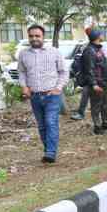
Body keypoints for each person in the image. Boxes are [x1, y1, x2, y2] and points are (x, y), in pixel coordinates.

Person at [18, 24, 68, 163]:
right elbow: (21, 72)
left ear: (43, 37)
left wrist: (58, 88)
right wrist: (24, 86)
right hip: (34, 96)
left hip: (52, 95)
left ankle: (50, 152)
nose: (34, 38)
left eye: (37, 36)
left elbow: (63, 72)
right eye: (31, 36)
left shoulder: (54, 52)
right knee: (41, 125)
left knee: (50, 122)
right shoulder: (23, 54)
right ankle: (48, 150)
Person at [80, 29, 107, 135]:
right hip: (97, 83)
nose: (103, 35)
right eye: (101, 34)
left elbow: (101, 65)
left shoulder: (98, 49)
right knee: (96, 105)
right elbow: (89, 69)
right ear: (97, 36)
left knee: (104, 104)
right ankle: (97, 127)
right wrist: (93, 84)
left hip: (103, 82)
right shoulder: (89, 50)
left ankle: (105, 124)